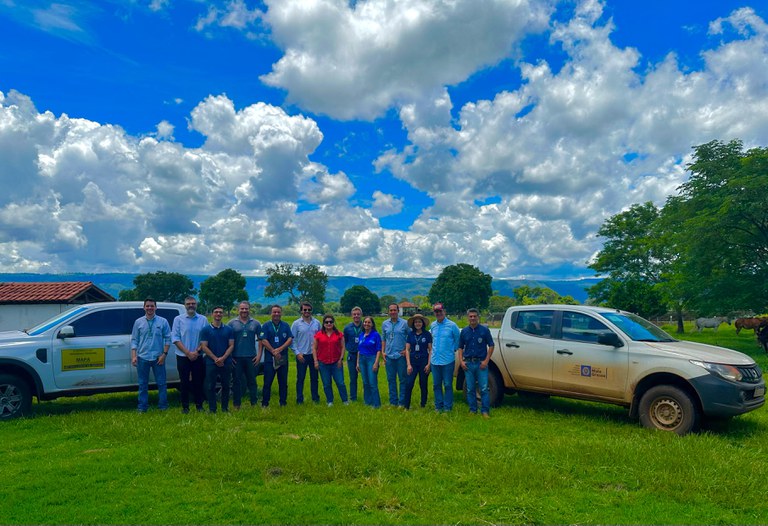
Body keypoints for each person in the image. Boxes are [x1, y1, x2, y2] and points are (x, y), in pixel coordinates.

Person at [130, 298, 172, 413]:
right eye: (147, 306)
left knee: (162, 383)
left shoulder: (163, 322)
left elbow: (168, 338)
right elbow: (134, 340)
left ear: (156, 307)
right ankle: (142, 407)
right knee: (143, 384)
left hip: (158, 357)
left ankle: (163, 406)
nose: (150, 308)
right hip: (142, 357)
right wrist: (134, 356)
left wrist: (164, 354)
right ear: (144, 307)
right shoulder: (138, 322)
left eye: (152, 306)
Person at [171, 296, 208, 413]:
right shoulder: (178, 319)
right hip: (182, 355)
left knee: (198, 381)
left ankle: (199, 405)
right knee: (184, 382)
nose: (191, 305)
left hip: (198, 355)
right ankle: (185, 407)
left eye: (193, 303)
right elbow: (176, 338)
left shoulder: (203, 319)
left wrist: (196, 352)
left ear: (196, 305)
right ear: (185, 305)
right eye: (188, 304)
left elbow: (205, 338)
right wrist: (187, 352)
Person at [458, 308, 496, 418]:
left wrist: (486, 360)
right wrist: (461, 361)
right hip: (468, 363)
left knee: (484, 388)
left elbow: (491, 345)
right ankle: (472, 409)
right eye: (470, 316)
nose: (473, 318)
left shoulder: (484, 330)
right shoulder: (464, 331)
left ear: (478, 317)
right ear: (468, 318)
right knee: (470, 389)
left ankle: (485, 411)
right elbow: (460, 347)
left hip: (481, 364)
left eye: (475, 316)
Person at [200, 306, 235, 413]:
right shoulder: (205, 330)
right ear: (212, 314)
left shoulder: (229, 329)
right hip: (211, 362)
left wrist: (223, 358)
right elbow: (204, 346)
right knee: (210, 386)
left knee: (226, 385)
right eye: (216, 312)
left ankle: (225, 408)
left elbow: (231, 345)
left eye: (220, 312)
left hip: (226, 362)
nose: (218, 314)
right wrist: (215, 358)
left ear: (223, 315)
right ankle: (212, 409)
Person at [228, 301, 262, 410]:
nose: (244, 311)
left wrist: (259, 355)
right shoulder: (232, 323)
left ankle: (254, 403)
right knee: (236, 381)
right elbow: (228, 341)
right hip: (236, 357)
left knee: (252, 381)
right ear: (238, 309)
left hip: (251, 357)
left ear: (249, 309)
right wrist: (230, 356)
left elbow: (261, 340)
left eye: (246, 309)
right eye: (242, 309)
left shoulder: (256, 323)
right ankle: (237, 404)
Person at [260, 305, 293, 408]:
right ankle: (265, 403)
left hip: (282, 358)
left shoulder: (286, 325)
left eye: (278, 312)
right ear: (271, 313)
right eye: (274, 312)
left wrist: (280, 349)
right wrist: (273, 351)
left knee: (283, 382)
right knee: (267, 382)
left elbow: (290, 339)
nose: (276, 314)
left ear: (281, 313)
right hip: (270, 359)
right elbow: (263, 340)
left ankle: (283, 402)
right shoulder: (265, 326)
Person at [429, 302, 460, 412]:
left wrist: (452, 350)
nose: (438, 313)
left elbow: (457, 340)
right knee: (436, 385)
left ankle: (447, 407)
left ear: (444, 311)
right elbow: (431, 341)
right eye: (436, 312)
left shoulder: (452, 326)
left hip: (447, 360)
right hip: (435, 361)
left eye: (440, 311)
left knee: (447, 385)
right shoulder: (433, 326)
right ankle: (438, 406)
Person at [313, 314, 348, 406]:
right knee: (326, 383)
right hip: (323, 363)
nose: (329, 323)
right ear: (323, 323)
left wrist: (341, 359)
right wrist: (315, 361)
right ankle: (330, 401)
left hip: (336, 362)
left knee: (340, 382)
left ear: (333, 323)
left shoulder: (339, 334)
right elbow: (314, 348)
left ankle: (345, 400)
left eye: (331, 322)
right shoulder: (318, 335)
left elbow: (343, 347)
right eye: (326, 322)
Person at [291, 301, 321, 404]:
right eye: (305, 310)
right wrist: (297, 353)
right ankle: (299, 399)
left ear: (311, 311)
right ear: (301, 311)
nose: (307, 311)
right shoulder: (296, 324)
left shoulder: (317, 323)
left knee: (314, 378)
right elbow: (292, 340)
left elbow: (320, 338)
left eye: (309, 310)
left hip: (314, 355)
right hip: (302, 355)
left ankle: (315, 398)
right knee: (300, 378)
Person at [382, 303, 409, 407]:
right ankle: (393, 402)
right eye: (391, 310)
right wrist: (383, 351)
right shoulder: (385, 324)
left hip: (400, 356)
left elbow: (410, 337)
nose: (393, 312)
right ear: (388, 312)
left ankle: (402, 402)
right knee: (391, 380)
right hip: (389, 356)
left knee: (403, 380)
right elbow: (383, 338)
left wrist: (406, 350)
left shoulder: (404, 323)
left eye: (394, 310)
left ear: (398, 311)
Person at [404, 313, 432, 410]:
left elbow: (430, 349)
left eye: (419, 322)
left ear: (423, 323)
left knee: (423, 383)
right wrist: (408, 364)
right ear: (413, 324)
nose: (417, 324)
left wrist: (429, 364)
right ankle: (406, 405)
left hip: (423, 360)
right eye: (416, 322)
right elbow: (407, 349)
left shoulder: (427, 334)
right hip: (412, 361)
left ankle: (423, 404)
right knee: (409, 383)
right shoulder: (410, 334)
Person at [356, 316, 382, 408]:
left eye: (369, 322)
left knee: (372, 382)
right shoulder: (361, 335)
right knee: (365, 382)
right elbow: (359, 349)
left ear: (372, 324)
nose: (366, 324)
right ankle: (367, 402)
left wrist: (376, 363)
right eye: (365, 322)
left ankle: (376, 404)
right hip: (362, 359)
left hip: (372, 359)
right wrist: (357, 363)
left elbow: (379, 349)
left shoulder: (376, 335)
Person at [342, 306, 364, 402]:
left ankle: (367, 397)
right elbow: (344, 341)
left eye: (358, 314)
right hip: (352, 355)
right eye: (354, 314)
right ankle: (353, 398)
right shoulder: (347, 328)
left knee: (365, 378)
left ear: (361, 315)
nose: (356, 316)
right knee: (353, 378)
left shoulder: (365, 325)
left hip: (364, 355)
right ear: (351, 315)